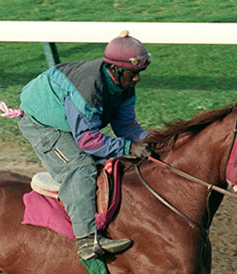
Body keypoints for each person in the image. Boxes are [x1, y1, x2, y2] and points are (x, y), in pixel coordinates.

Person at [18, 31, 153, 260]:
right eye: (132, 74)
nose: (137, 79)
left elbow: (127, 126)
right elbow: (88, 141)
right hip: (41, 123)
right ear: (115, 69)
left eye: (139, 73)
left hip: (71, 123)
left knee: (112, 162)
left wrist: (157, 140)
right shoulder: (90, 87)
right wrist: (129, 148)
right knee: (81, 166)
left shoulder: (124, 85)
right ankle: (86, 240)